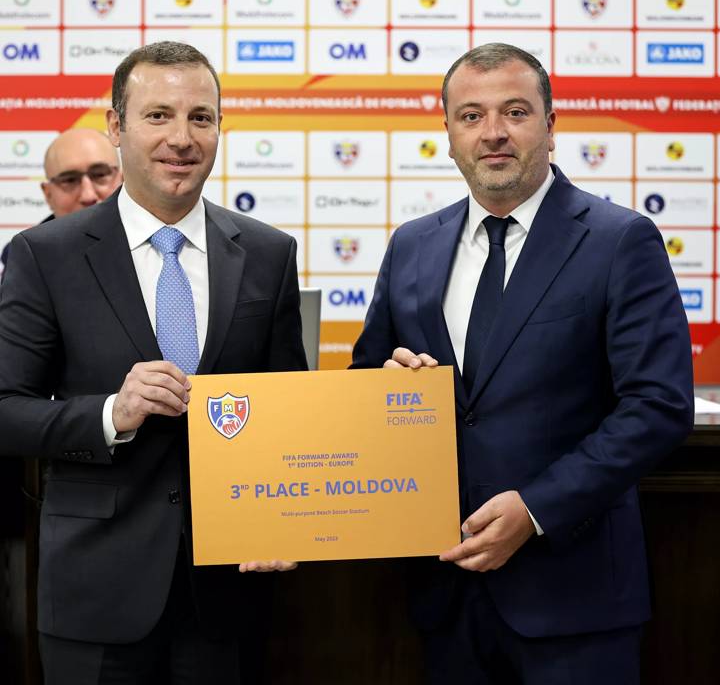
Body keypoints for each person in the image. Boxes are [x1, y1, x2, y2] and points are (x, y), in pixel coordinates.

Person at [351, 43, 694, 684]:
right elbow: (366, 383)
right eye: (471, 116)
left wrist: (535, 509)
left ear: (551, 125)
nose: (494, 133)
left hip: (576, 597)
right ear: (449, 135)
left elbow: (659, 405)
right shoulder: (412, 245)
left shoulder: (620, 241)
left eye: (515, 111)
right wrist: (384, 391)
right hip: (445, 594)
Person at [0, 41, 306, 684]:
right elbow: (5, 411)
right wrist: (113, 413)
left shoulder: (268, 253)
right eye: (158, 115)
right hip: (96, 593)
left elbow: (288, 413)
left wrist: (287, 520)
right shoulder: (43, 255)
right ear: (116, 126)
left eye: (201, 117)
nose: (182, 138)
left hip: (229, 596)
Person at [0, 128, 123, 280]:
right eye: (69, 180)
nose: (88, 195)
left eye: (100, 175)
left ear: (123, 180)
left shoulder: (155, 240)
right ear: (48, 194)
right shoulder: (24, 257)